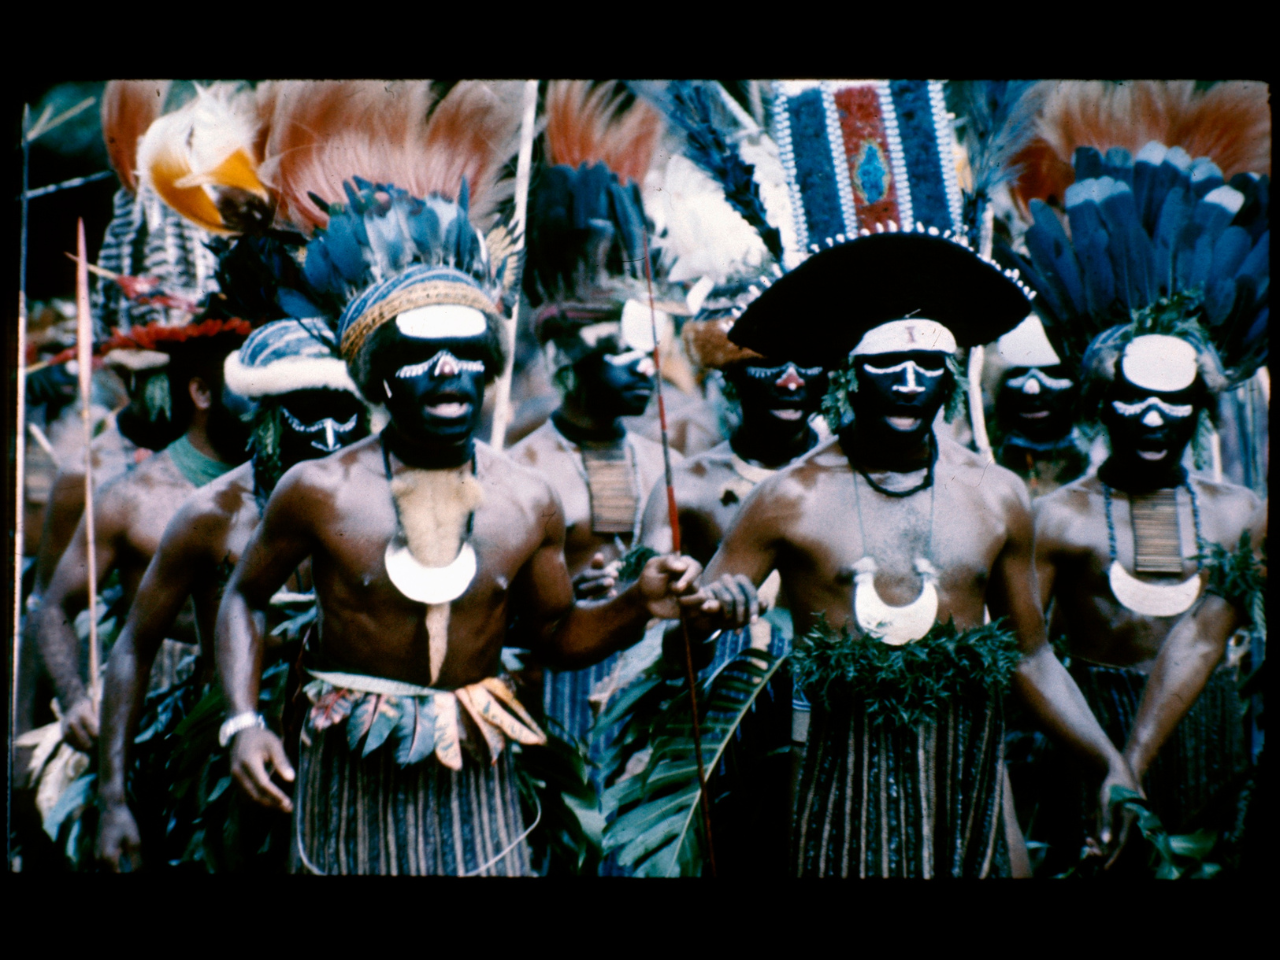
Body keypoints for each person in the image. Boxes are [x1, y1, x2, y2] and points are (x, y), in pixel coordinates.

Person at [686, 230, 1137, 877]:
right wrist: (712, 605)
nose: (907, 382)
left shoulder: (995, 494)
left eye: (927, 365)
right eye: (885, 365)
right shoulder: (788, 497)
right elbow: (699, 613)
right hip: (841, 776)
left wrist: (1108, 761)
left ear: (951, 375)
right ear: (849, 373)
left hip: (966, 772)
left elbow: (1030, 654)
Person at [1009, 138, 1268, 872]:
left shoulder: (1240, 513)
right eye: (1134, 399)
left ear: (1201, 410)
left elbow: (1211, 636)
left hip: (1209, 751)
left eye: (1174, 403)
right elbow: (1024, 655)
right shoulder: (1058, 517)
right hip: (1080, 736)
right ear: (1101, 401)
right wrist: (1105, 765)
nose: (1153, 419)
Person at [96, 318, 371, 871]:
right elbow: (134, 645)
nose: (329, 435)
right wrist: (112, 799)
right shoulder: (213, 516)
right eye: (306, 411)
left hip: (355, 756)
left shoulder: (381, 507)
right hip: (232, 754)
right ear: (267, 420)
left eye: (343, 410)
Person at [33, 318, 251, 754]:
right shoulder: (131, 498)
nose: (259, 405)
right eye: (243, 392)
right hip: (149, 710)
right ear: (201, 394)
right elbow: (53, 604)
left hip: (251, 713)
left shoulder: (279, 488)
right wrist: (74, 700)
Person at [988, 314, 1091, 500]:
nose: (1032, 389)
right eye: (1019, 374)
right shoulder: (983, 459)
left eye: (1051, 373)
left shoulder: (1098, 463)